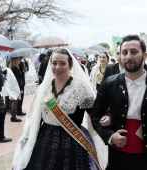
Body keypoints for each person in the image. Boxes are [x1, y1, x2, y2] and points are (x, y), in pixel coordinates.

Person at [12, 48, 109, 170]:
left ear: (70, 65)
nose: (57, 67)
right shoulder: (44, 87)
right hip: (45, 141)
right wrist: (27, 137)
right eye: (54, 63)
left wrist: (106, 121)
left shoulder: (81, 88)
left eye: (62, 63)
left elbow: (95, 114)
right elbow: (36, 117)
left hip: (72, 142)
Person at [90, 34, 147, 170]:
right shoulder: (110, 83)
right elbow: (95, 113)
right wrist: (109, 136)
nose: (128, 57)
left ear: (144, 55)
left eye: (134, 52)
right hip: (118, 157)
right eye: (124, 52)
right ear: (119, 56)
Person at [9, 57, 23, 122]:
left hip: (15, 87)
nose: (19, 60)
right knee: (15, 102)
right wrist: (19, 89)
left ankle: (13, 116)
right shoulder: (14, 69)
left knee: (14, 102)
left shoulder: (15, 68)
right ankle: (13, 117)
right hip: (16, 88)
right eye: (18, 59)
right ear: (15, 61)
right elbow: (17, 80)